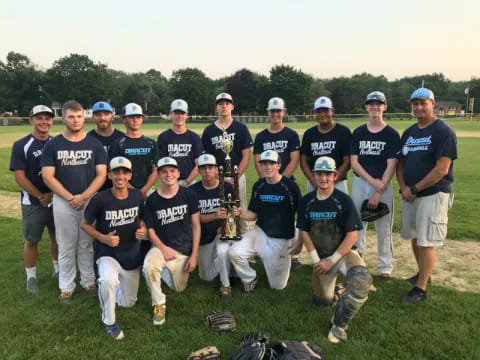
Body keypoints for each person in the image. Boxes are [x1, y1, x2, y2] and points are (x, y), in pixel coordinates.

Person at [294, 156, 372, 344]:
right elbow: (303, 230)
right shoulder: (306, 201)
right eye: (320, 174)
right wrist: (316, 259)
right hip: (321, 257)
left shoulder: (343, 200)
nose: (324, 178)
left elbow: (352, 235)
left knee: (361, 281)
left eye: (328, 174)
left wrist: (332, 259)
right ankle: (338, 291)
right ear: (314, 175)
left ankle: (339, 325)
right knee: (322, 303)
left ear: (335, 175)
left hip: (344, 254)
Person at [41, 100, 107, 303]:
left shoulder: (94, 144)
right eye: (71, 116)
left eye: (79, 116)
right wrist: (70, 197)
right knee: (66, 244)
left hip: (89, 199)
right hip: (63, 201)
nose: (76, 120)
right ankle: (66, 286)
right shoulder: (53, 144)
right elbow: (48, 176)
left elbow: (101, 174)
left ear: (84, 117)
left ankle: (88, 281)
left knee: (87, 243)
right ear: (63, 118)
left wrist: (84, 196)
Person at [397, 88, 457, 304]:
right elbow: (401, 163)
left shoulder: (443, 131)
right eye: (415, 104)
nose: (418, 107)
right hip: (410, 194)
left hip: (433, 193)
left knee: (426, 241)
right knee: (414, 236)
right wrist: (404, 187)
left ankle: (421, 289)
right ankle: (423, 273)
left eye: (423, 103)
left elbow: (442, 169)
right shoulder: (410, 132)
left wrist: (414, 189)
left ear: (433, 103)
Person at [81, 156, 145, 340]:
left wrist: (143, 229)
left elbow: (142, 219)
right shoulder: (100, 198)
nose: (120, 176)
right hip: (107, 253)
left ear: (130, 175)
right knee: (108, 280)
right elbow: (84, 225)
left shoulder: (137, 195)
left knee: (128, 303)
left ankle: (107, 291)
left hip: (131, 255)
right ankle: (109, 320)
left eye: (124, 172)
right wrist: (103, 238)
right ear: (109, 175)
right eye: (116, 172)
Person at [229, 150, 301, 292]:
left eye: (271, 163)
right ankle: (250, 278)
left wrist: (298, 241)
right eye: (264, 164)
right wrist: (240, 213)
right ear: (260, 166)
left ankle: (282, 262)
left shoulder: (290, 186)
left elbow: (302, 216)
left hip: (281, 237)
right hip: (260, 232)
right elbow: (253, 214)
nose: (267, 167)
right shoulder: (259, 185)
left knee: (277, 286)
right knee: (234, 252)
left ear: (279, 165)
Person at [143, 157, 200, 325]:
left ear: (178, 173)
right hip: (162, 248)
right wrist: (163, 248)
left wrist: (194, 255)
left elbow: (196, 225)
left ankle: (165, 273)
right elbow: (150, 230)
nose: (169, 174)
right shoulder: (152, 200)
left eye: (172, 171)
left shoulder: (188, 194)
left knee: (179, 288)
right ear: (159, 175)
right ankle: (159, 304)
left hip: (184, 250)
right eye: (164, 171)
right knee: (149, 266)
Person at [350, 91, 400, 279]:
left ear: (384, 107)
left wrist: (379, 190)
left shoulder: (391, 134)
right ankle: (358, 262)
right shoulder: (359, 132)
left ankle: (385, 268)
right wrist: (373, 183)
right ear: (366, 107)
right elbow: (354, 162)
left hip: (384, 184)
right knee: (357, 224)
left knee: (384, 227)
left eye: (378, 104)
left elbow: (392, 164)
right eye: (371, 104)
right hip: (361, 182)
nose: (374, 107)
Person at [10, 105, 59, 293]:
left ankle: (58, 270)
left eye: (47, 118)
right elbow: (19, 177)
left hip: (56, 200)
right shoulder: (22, 145)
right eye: (39, 118)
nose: (44, 122)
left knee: (57, 238)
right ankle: (31, 276)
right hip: (33, 202)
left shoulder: (57, 142)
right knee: (32, 240)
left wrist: (53, 194)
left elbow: (62, 173)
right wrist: (40, 196)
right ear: (31, 120)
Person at [109, 103, 159, 259]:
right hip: (124, 191)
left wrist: (143, 191)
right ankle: (126, 257)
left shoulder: (151, 143)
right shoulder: (118, 143)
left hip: (147, 190)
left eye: (138, 117)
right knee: (127, 225)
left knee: (149, 223)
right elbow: (114, 171)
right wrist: (134, 191)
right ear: (124, 119)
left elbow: (155, 170)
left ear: (142, 119)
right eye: (131, 117)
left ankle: (146, 256)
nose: (135, 120)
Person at [189, 154, 234, 298]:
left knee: (222, 251)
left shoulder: (226, 187)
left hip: (222, 232)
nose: (207, 171)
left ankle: (226, 285)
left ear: (216, 170)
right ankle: (228, 267)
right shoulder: (193, 191)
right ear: (199, 171)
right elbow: (194, 220)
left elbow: (233, 213)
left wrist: (226, 225)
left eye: (210, 167)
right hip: (204, 236)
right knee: (206, 277)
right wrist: (214, 215)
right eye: (203, 168)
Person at [201, 93, 253, 215]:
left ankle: (244, 233)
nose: (224, 106)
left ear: (232, 107)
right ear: (216, 108)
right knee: (221, 210)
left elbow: (246, 155)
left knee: (240, 210)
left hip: (237, 176)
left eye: (227, 103)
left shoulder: (241, 128)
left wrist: (235, 178)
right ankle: (222, 233)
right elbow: (207, 160)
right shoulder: (209, 131)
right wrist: (219, 178)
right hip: (216, 179)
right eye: (220, 104)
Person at [300, 97, 351, 194]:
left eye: (326, 111)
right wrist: (314, 182)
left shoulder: (343, 131)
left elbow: (347, 161)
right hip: (314, 182)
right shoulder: (309, 134)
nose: (322, 114)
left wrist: (331, 181)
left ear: (332, 111)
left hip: (338, 182)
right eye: (319, 111)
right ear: (315, 113)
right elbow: (303, 161)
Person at [157, 99, 204, 186]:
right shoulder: (163, 137)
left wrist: (186, 182)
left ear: (187, 115)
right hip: (169, 182)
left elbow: (198, 165)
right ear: (171, 114)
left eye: (182, 113)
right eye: (176, 113)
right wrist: (171, 182)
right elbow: (161, 165)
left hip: (189, 182)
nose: (179, 116)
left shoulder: (194, 137)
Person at [253, 97, 300, 179]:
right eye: (272, 111)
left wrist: (281, 181)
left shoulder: (292, 135)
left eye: (278, 111)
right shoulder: (260, 136)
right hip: (267, 181)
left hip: (287, 180)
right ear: (268, 112)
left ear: (284, 112)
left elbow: (294, 160)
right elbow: (258, 162)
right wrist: (267, 180)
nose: (275, 114)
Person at [87, 101, 124, 191]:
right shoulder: (87, 138)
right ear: (93, 117)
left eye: (106, 114)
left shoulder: (122, 137)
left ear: (112, 116)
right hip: (95, 187)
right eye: (98, 115)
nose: (102, 118)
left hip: (119, 186)